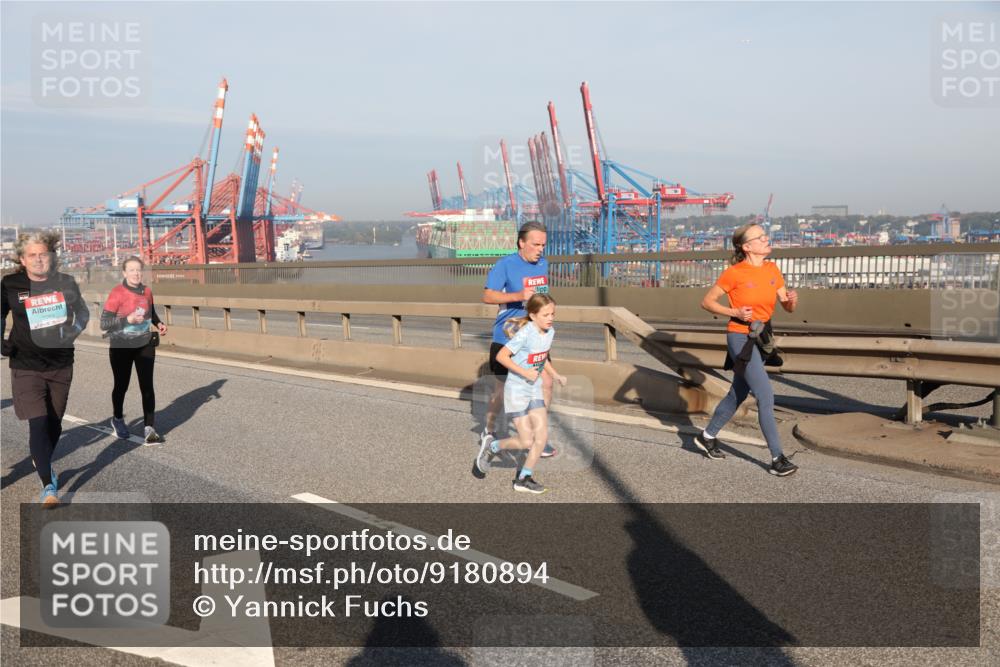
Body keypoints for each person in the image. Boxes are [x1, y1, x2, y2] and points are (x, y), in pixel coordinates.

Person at [698, 223, 800, 476]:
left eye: (765, 236)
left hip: (762, 337)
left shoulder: (772, 269)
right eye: (761, 237)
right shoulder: (734, 273)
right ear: (747, 247)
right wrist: (734, 311)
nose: (767, 239)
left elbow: (786, 306)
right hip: (739, 337)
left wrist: (791, 302)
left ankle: (707, 435)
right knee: (765, 394)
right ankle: (778, 458)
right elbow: (707, 302)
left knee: (738, 393)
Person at [1, 231, 90, 506]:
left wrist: (71, 333)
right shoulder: (10, 284)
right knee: (38, 423)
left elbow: (83, 314)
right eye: (32, 255)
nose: (39, 259)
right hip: (25, 363)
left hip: (61, 363)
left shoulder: (65, 282)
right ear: (22, 260)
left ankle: (43, 461)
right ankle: (48, 486)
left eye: (43, 254)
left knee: (53, 422)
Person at [475, 293, 566, 493]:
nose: (550, 318)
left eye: (552, 314)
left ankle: (523, 478)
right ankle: (494, 447)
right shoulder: (525, 334)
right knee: (526, 441)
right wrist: (524, 371)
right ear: (533, 316)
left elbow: (543, 359)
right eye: (545, 315)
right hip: (516, 391)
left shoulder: (550, 332)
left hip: (534, 390)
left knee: (540, 440)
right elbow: (501, 356)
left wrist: (556, 375)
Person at [481, 221, 556, 458]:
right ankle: (489, 431)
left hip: (534, 337)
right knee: (503, 390)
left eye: (543, 245)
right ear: (521, 243)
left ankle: (538, 436)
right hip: (508, 336)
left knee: (545, 383)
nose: (540, 249)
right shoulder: (505, 264)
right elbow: (487, 295)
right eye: (535, 244)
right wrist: (518, 296)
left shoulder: (543, 263)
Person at [100, 256, 167, 444]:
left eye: (139, 270)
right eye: (132, 270)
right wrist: (126, 320)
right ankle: (118, 419)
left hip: (144, 343)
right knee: (122, 385)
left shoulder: (147, 291)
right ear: (124, 273)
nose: (136, 273)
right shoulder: (117, 293)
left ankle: (149, 427)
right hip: (121, 345)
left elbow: (150, 312)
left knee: (147, 386)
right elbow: (104, 323)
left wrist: (159, 323)